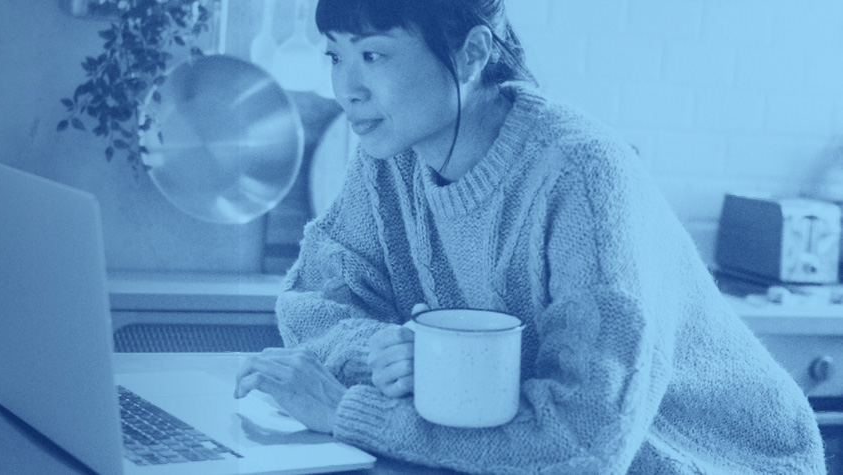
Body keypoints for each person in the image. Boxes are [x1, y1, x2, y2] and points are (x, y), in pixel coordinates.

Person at [232, 0, 827, 473]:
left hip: (712, 463)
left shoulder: (581, 176)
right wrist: (388, 353)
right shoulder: (389, 156)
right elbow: (314, 305)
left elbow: (585, 443)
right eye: (336, 57)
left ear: (470, 54)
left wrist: (350, 410)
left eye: (374, 55)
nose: (347, 88)